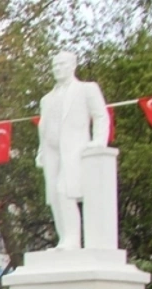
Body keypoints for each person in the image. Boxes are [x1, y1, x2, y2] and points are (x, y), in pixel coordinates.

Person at [37, 50, 110, 250]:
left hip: (75, 149)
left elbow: (101, 116)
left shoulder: (86, 89)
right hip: (52, 152)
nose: (58, 69)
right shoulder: (47, 99)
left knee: (65, 191)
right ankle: (64, 238)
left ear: (73, 65)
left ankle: (72, 239)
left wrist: (98, 142)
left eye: (62, 64)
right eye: (55, 65)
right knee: (54, 196)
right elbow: (45, 127)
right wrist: (41, 152)